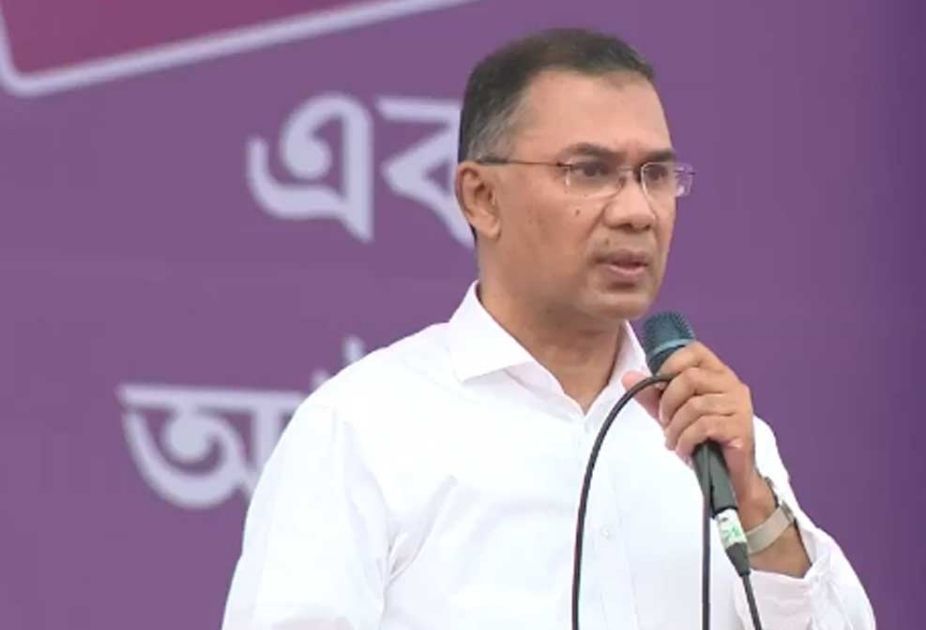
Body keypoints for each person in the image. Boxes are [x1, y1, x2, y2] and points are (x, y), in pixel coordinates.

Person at [222, 27, 874, 630]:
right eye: (589, 172)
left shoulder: (713, 442)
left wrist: (756, 508)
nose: (637, 211)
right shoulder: (363, 428)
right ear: (481, 197)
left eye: (655, 175)